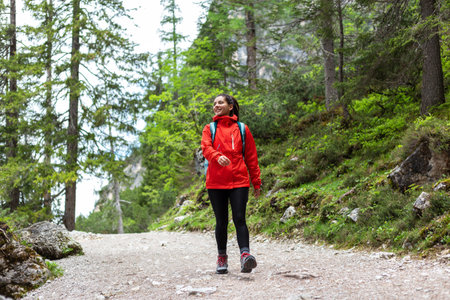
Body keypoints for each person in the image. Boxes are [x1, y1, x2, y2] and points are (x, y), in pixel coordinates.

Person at [201, 93, 262, 274]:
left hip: (239, 181)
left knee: (240, 219)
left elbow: (251, 158)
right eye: (214, 103)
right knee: (221, 221)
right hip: (216, 183)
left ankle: (245, 256)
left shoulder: (242, 129)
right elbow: (206, 148)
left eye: (220, 102)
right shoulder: (209, 128)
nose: (216, 106)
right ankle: (222, 257)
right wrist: (216, 156)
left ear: (230, 106)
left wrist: (256, 182)